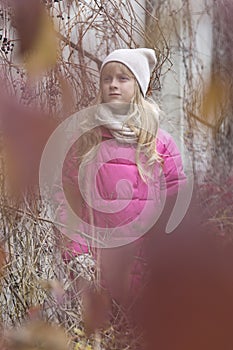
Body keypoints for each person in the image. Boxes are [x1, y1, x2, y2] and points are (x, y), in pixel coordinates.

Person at [56, 48, 187, 306]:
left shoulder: (160, 144)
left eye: (123, 78)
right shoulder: (85, 140)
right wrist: (77, 254)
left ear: (138, 86)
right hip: (96, 269)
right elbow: (68, 203)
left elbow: (176, 205)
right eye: (107, 79)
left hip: (148, 271)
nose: (113, 85)